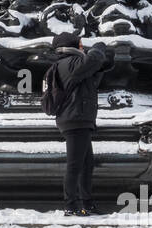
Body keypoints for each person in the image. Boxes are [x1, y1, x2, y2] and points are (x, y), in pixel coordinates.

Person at [45, 33, 111, 216]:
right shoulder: (69, 63)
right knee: (75, 165)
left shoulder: (70, 63)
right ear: (71, 46)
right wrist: (100, 46)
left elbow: (91, 77)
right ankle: (71, 205)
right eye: (80, 44)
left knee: (86, 164)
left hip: (78, 118)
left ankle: (87, 204)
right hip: (75, 119)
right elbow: (94, 60)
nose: (83, 47)